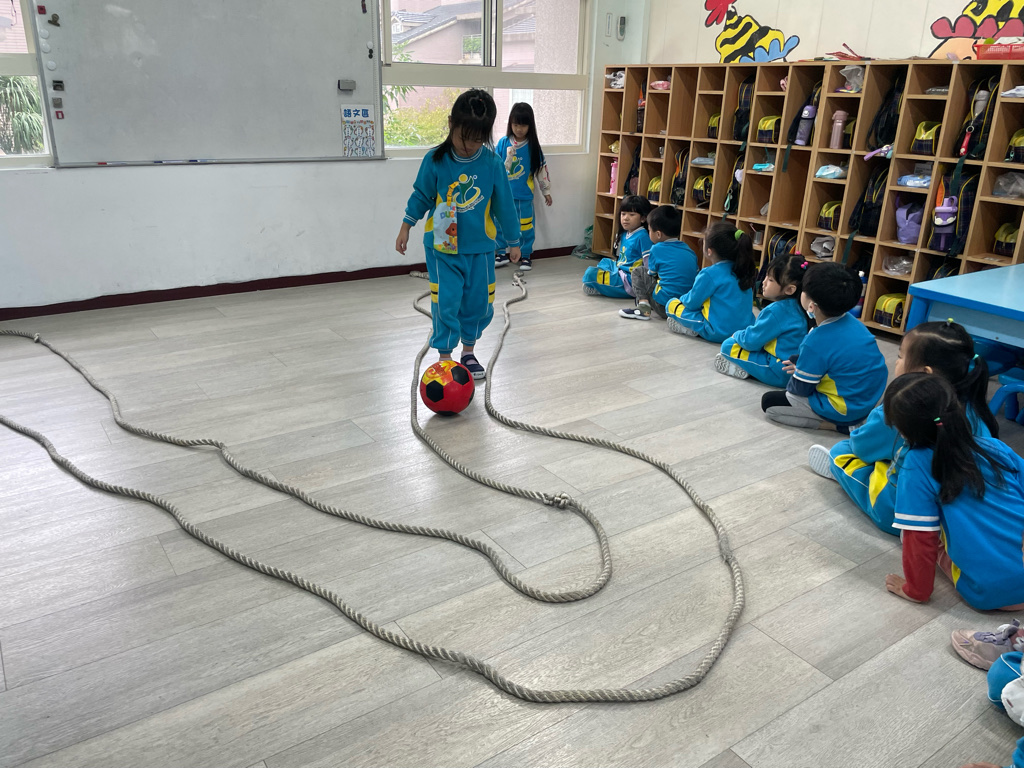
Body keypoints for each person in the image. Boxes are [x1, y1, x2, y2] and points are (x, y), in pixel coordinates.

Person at [807, 320, 998, 535]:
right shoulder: (975, 409)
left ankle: (845, 477)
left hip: (905, 514)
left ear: (925, 372)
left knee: (840, 452)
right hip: (960, 515)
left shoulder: (903, 409)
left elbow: (860, 447)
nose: (896, 363)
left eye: (900, 357)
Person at [396, 89, 521, 381]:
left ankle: (468, 351)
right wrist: (406, 225)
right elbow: (422, 195)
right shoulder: (435, 160)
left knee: (479, 303)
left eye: (477, 139)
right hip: (443, 247)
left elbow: (504, 205)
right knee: (447, 300)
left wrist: (514, 242)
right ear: (451, 124)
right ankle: (444, 356)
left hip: (480, 248)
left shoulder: (492, 164)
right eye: (464, 137)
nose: (469, 146)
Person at [883, 374, 1024, 612]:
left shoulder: (915, 465)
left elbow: (919, 538)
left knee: (912, 534)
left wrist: (915, 591)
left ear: (903, 430)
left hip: (994, 593)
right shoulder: (995, 446)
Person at [760, 262, 887, 431]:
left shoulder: (816, 341)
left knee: (770, 404)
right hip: (871, 399)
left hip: (844, 407)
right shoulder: (854, 323)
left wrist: (799, 373)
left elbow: (799, 390)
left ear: (811, 306)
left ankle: (838, 427)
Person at [714, 253, 809, 385]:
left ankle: (746, 369)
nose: (763, 282)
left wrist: (737, 335)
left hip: (778, 370)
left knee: (728, 346)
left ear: (789, 289)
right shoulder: (804, 307)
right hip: (798, 370)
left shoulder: (776, 311)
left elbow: (751, 341)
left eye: (770, 280)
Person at [664, 221, 756, 343]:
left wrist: (681, 300)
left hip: (717, 331)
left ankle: (692, 329)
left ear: (709, 251)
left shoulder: (709, 274)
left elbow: (691, 303)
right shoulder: (743, 269)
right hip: (744, 331)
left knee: (671, 305)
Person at [494, 103, 552, 272]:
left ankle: (525, 255)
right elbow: (495, 167)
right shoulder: (503, 143)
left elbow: (541, 171)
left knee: (525, 226)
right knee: (499, 224)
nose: (519, 129)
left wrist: (546, 191)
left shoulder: (533, 147)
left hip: (524, 196)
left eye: (523, 125)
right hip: (503, 196)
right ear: (510, 124)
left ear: (530, 125)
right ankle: (501, 253)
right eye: (515, 124)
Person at [617, 205, 697, 321]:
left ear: (658, 234)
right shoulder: (689, 250)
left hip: (663, 306)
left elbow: (652, 274)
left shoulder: (656, 249)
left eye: (649, 230)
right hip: (680, 307)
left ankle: (643, 308)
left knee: (638, 271)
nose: (648, 233)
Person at [582, 195, 653, 298]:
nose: (626, 218)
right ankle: (604, 285)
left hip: (629, 280)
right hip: (620, 269)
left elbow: (648, 265)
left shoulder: (643, 236)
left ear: (643, 218)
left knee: (590, 273)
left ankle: (602, 287)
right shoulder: (625, 233)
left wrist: (643, 289)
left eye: (632, 215)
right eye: (623, 214)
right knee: (605, 261)